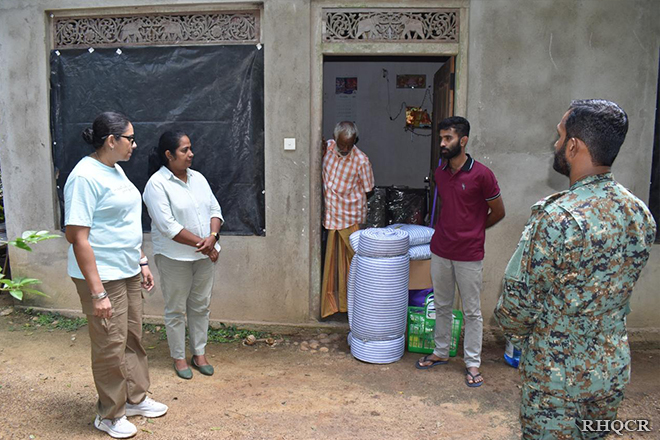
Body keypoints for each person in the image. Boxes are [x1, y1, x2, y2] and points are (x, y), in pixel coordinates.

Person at [494, 99, 656, 438]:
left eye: (559, 136)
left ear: (573, 146)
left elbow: (516, 306)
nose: (555, 144)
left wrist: (527, 340)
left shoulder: (556, 217)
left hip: (557, 382)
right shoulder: (638, 212)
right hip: (609, 371)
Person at [64, 112, 168, 439]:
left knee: (132, 336)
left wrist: (141, 261)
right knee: (110, 344)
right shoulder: (84, 177)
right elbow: (77, 237)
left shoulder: (115, 169)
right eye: (130, 139)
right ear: (111, 140)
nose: (134, 145)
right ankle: (109, 414)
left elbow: (123, 223)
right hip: (103, 275)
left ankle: (135, 399)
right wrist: (98, 293)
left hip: (127, 269)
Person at [416, 116, 505, 388]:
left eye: (448, 138)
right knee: (442, 305)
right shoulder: (440, 173)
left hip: (469, 254)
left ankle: (472, 362)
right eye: (441, 138)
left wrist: (475, 229)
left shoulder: (482, 174)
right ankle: (441, 352)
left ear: (463, 140)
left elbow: (498, 211)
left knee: (472, 311)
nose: (442, 143)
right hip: (441, 250)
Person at [143, 130, 223, 380]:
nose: (191, 154)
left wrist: (213, 236)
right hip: (174, 258)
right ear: (169, 155)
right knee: (176, 309)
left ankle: (199, 354)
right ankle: (179, 357)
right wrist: (207, 245)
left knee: (201, 306)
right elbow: (168, 227)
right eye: (184, 150)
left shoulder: (198, 178)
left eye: (190, 148)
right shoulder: (156, 184)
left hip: (203, 257)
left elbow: (215, 209)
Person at [321, 121, 375, 318]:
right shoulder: (327, 148)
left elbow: (369, 189)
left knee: (354, 265)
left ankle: (357, 308)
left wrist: (349, 200)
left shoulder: (361, 160)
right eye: (342, 145)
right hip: (331, 218)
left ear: (355, 141)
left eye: (349, 145)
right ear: (335, 139)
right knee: (333, 266)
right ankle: (335, 306)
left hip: (350, 218)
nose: (345, 149)